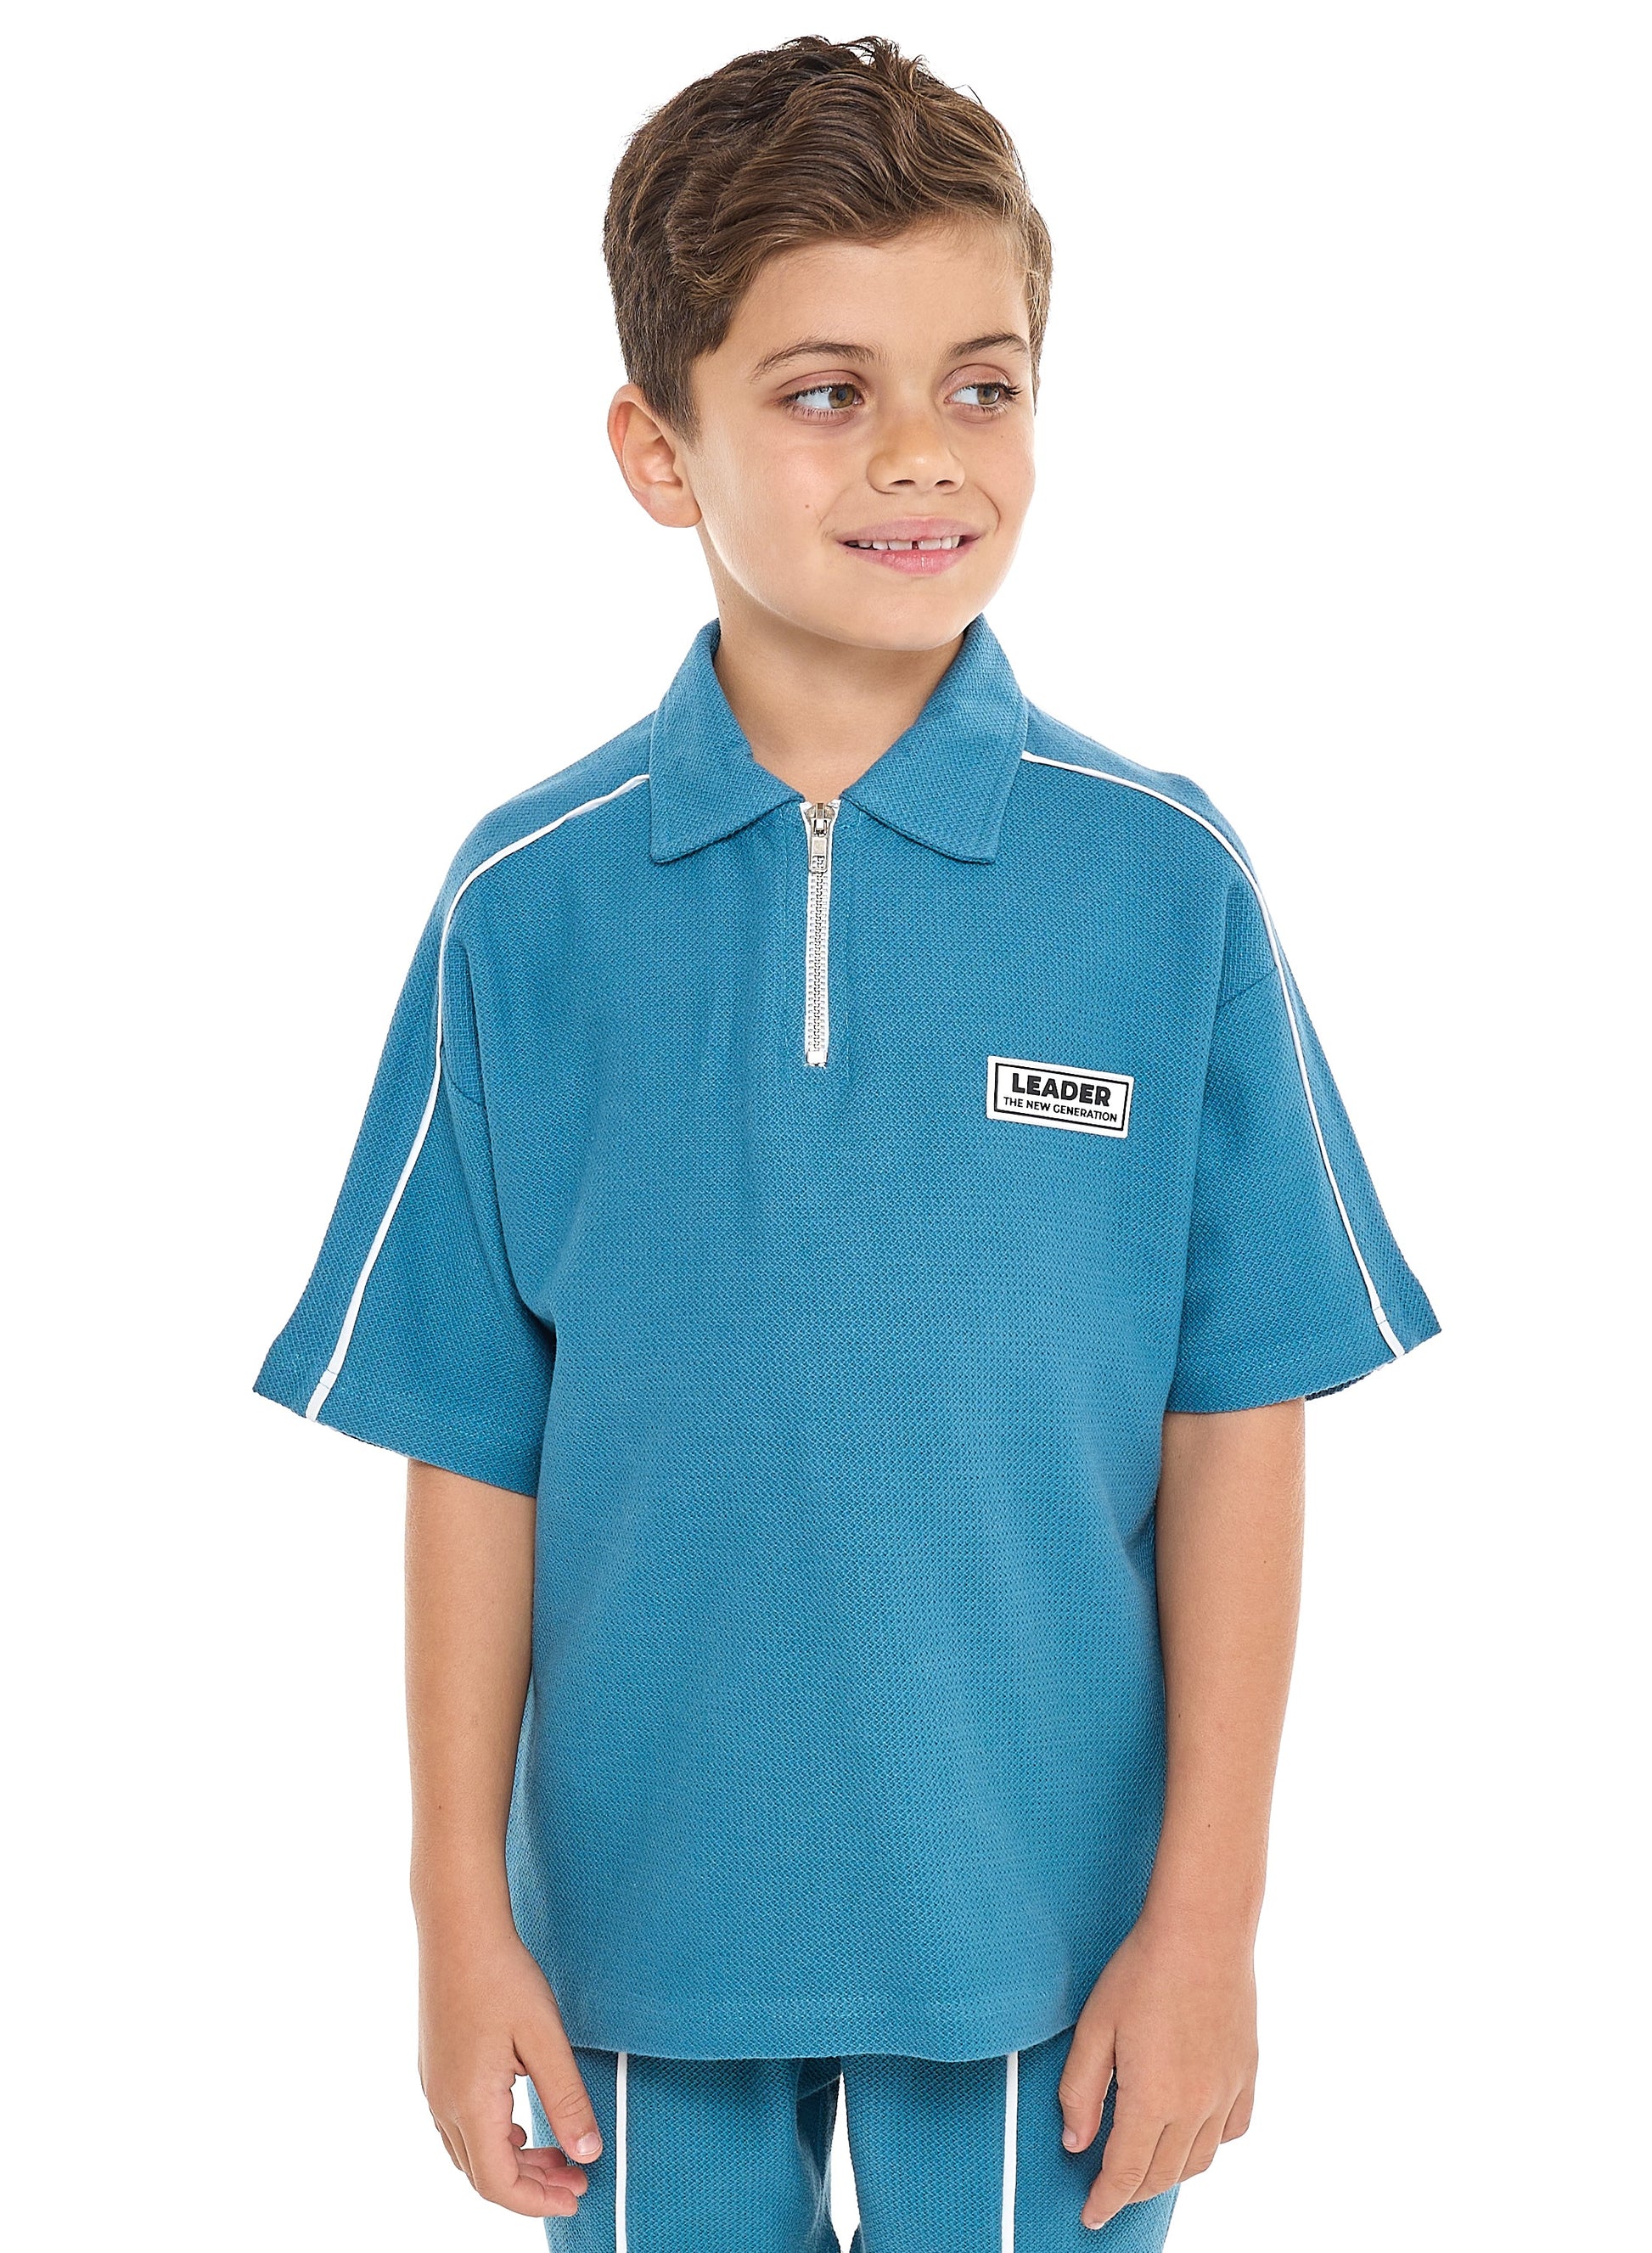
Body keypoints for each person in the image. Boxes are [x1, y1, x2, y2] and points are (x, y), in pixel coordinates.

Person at [255, 34, 1439, 2250]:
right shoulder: (526, 907)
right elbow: (468, 1446)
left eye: (982, 386)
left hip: (1050, 1947)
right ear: (656, 447)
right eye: (826, 392)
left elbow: (1238, 1416)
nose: (921, 454)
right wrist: (452, 1920)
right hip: (631, 1944)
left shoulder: (1159, 886)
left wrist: (1206, 1923)